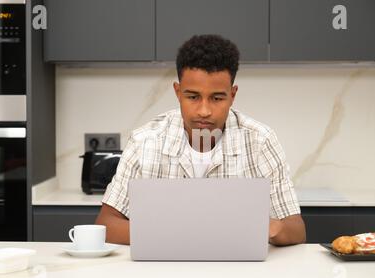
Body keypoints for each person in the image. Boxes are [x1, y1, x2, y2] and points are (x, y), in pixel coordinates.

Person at [96, 34, 306, 246]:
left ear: (232, 95)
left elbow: (297, 230)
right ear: (178, 92)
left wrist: (273, 228)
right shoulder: (144, 141)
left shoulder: (261, 141)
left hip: (239, 274)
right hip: (163, 272)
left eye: (217, 98)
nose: (204, 111)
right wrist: (185, 235)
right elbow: (106, 224)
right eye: (193, 97)